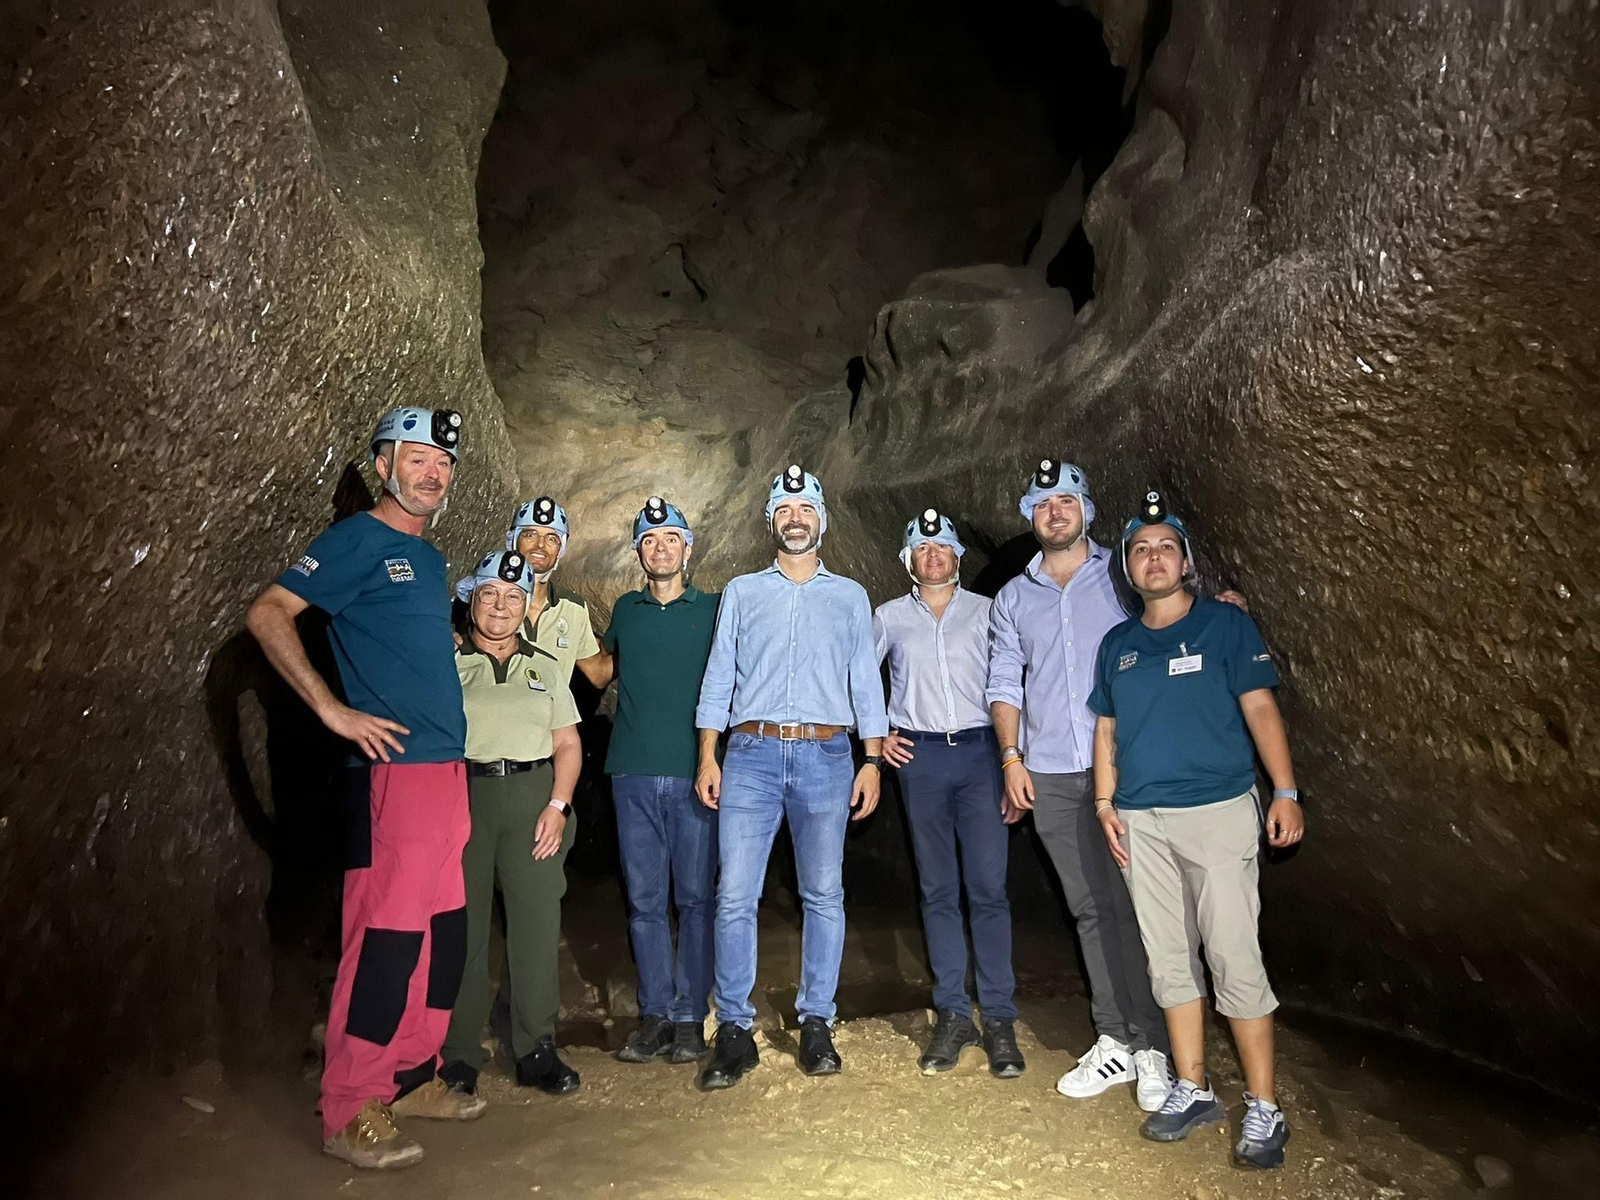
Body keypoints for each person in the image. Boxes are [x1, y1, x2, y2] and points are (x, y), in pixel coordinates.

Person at [245, 406, 481, 1171]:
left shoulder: (431, 559)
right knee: (384, 941)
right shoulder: (356, 541)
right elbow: (269, 613)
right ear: (384, 466)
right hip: (392, 779)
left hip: (446, 774)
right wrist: (331, 709)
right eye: (415, 457)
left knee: (440, 939)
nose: (431, 472)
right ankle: (351, 1106)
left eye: (442, 462)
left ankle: (411, 1078)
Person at [1090, 491, 1304, 1169]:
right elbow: (1106, 729)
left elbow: (1260, 707)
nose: (1153, 558)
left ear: (1185, 561)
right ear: (1128, 568)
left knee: (1234, 954)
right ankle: (1193, 1087)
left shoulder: (1225, 626)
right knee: (1169, 958)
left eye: (1166, 547)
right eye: (1140, 550)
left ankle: (1264, 1105)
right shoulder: (1118, 645)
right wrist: (1104, 802)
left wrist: (1286, 791)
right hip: (1141, 820)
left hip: (1217, 811)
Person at [986, 458, 1174, 1112]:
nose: (1055, 512)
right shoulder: (1014, 598)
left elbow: (1172, 614)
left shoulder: (1122, 574)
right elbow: (1004, 681)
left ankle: (1155, 1045)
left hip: (1128, 766)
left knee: (1140, 904)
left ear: (1087, 511)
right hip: (1050, 770)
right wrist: (1011, 758)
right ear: (1029, 517)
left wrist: (1221, 606)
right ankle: (1116, 1038)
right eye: (1042, 504)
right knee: (1091, 908)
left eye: (1066, 500)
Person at [693, 465, 888, 1089]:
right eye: (784, 509)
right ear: (770, 522)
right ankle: (734, 1028)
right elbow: (720, 675)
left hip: (827, 756)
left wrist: (872, 760)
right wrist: (708, 754)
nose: (795, 518)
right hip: (750, 753)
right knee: (734, 894)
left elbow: (866, 682)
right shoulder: (743, 592)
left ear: (822, 520)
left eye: (805, 509)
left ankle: (816, 1021)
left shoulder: (850, 596)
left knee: (824, 893)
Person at [873, 509, 1023, 1078]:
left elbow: (1015, 679)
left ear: (958, 555)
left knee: (988, 888)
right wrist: (877, 733)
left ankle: (1000, 1018)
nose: (932, 554)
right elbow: (856, 676)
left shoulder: (990, 611)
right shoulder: (888, 616)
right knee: (937, 889)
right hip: (921, 758)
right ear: (908, 560)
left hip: (983, 754)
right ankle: (954, 1014)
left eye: (941, 546)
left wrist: (1015, 756)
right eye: (921, 547)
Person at [438, 549, 586, 1098]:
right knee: (464, 928)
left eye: (513, 596)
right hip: (465, 799)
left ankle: (535, 1047)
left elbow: (567, 743)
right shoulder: (448, 664)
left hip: (532, 800)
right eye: (489, 595)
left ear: (526, 606)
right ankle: (458, 1052)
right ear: (471, 600)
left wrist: (558, 805)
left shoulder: (544, 667)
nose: (500, 606)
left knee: (536, 927)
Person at [603, 498, 719, 1065]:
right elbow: (596, 668)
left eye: (671, 538)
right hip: (631, 771)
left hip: (694, 772)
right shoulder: (625, 610)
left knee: (695, 900)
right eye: (649, 540)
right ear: (638, 553)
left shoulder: (715, 609)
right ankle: (655, 1014)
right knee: (645, 902)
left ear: (687, 547)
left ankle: (691, 1015)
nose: (661, 548)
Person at [503, 495, 610, 688]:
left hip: (552, 708)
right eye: (530, 535)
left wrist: (635, 636)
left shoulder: (573, 608)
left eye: (551, 538)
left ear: (561, 550)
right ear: (513, 541)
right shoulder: (485, 602)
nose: (540, 544)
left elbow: (597, 673)